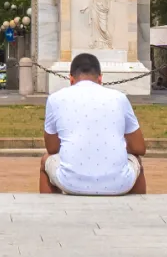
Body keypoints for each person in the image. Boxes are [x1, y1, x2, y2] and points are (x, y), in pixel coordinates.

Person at [39, 52, 146, 196]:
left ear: (71, 79)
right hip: (119, 183)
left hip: (70, 182)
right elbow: (139, 147)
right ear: (100, 78)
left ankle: (48, 207)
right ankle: (140, 206)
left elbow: (52, 148)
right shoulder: (119, 98)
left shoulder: (55, 99)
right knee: (136, 161)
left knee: (46, 160)